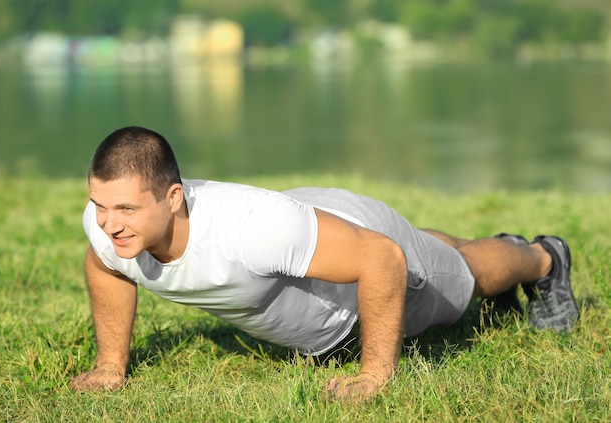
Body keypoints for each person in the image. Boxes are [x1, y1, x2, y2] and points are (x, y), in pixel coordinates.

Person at [70, 126, 579, 402]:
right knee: (418, 250)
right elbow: (105, 266)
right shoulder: (104, 224)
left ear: (173, 197)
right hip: (309, 234)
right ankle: (435, 245)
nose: (110, 225)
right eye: (101, 205)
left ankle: (542, 258)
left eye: (127, 209)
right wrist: (110, 366)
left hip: (358, 265)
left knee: (462, 282)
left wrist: (375, 376)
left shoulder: (250, 229)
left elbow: (382, 259)